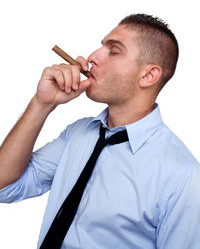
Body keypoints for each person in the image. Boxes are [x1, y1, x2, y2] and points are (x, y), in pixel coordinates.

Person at [0, 14, 200, 249]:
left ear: (148, 75)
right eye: (101, 46)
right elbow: (6, 186)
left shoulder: (184, 177)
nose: (92, 57)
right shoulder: (78, 134)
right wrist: (42, 104)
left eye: (113, 51)